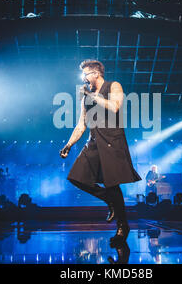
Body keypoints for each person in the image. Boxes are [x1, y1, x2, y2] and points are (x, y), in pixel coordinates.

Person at [59, 59, 141, 243]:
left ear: (96, 73)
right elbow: (81, 124)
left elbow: (114, 107)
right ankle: (109, 200)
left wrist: (92, 95)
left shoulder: (114, 86)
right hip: (93, 142)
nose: (84, 78)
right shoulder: (86, 95)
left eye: (86, 74)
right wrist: (69, 144)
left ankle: (122, 226)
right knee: (76, 177)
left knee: (112, 184)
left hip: (112, 140)